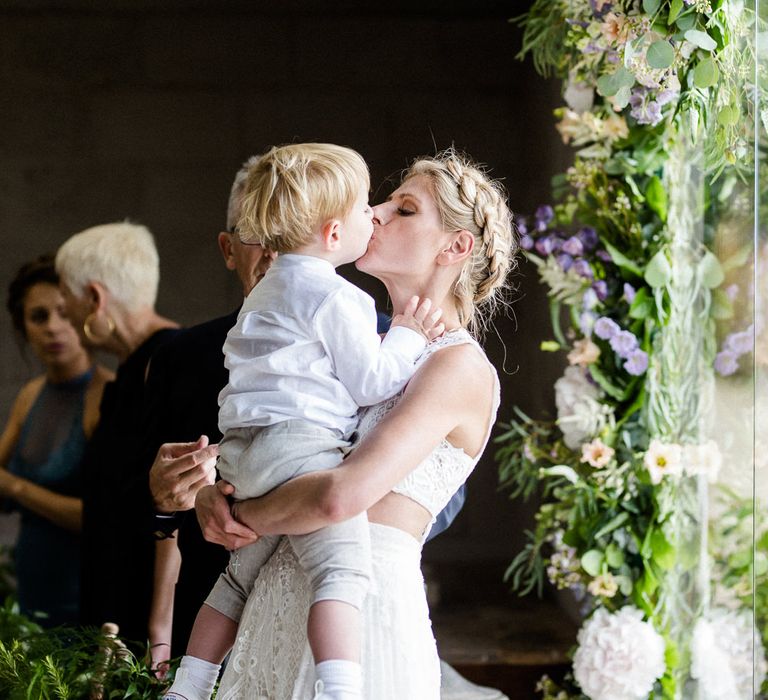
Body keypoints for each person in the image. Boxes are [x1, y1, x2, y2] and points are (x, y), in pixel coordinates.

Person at [196, 148, 516, 700]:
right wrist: (209, 492)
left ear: (455, 247)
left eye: (405, 209)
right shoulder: (360, 345)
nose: (375, 212)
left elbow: (340, 496)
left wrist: (238, 512)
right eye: (383, 201)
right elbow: (279, 441)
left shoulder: (457, 366)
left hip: (365, 614)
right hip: (276, 604)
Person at [164, 143, 443, 700]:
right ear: (334, 235)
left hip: (243, 455)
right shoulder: (337, 297)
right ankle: (339, 687)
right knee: (341, 573)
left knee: (235, 581)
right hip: (301, 451)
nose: (375, 214)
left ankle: (190, 684)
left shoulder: (264, 291)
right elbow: (371, 382)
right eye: (366, 206)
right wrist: (409, 337)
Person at [144, 155, 277, 667]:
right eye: (257, 232)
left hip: (335, 609)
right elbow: (147, 507)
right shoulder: (180, 356)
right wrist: (164, 496)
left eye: (292, 231)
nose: (274, 250)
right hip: (211, 627)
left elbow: (440, 499)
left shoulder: (377, 340)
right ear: (228, 249)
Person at [55, 222, 179, 644]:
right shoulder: (129, 371)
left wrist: (158, 636)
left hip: (145, 619)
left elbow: (176, 509)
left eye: (64, 295)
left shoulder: (171, 363)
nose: (64, 311)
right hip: (114, 601)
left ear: (94, 298)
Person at [0, 256, 112, 627]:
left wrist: (16, 487)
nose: (53, 328)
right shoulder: (30, 395)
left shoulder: (107, 394)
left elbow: (104, 518)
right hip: (31, 589)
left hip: (84, 598)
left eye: (64, 313)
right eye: (39, 317)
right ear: (23, 326)